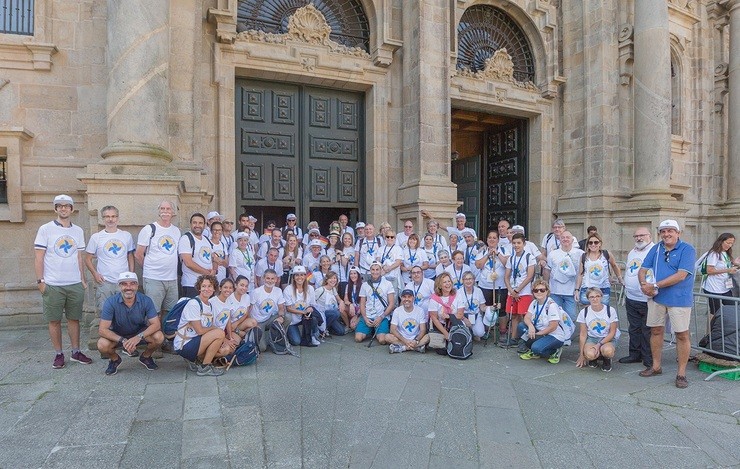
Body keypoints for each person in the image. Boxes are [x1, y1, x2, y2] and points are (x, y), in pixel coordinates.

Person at [34, 194, 92, 369]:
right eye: (59, 206)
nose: (63, 208)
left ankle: (76, 351)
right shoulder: (46, 229)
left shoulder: (78, 231)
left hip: (74, 283)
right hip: (53, 284)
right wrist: (40, 281)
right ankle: (59, 354)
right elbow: (39, 257)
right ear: (55, 209)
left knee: (74, 319)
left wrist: (82, 279)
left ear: (72, 209)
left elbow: (79, 257)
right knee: (54, 320)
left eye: (67, 206)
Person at [638, 219, 696, 389]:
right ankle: (656, 366)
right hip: (657, 298)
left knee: (681, 334)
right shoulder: (656, 248)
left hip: (679, 299)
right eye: (663, 231)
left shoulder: (687, 249)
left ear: (678, 233)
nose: (666, 234)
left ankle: (681, 373)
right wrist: (643, 285)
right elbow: (642, 269)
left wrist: (654, 285)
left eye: (670, 230)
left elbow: (681, 275)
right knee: (655, 331)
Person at [98, 272, 165, 375]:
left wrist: (138, 337)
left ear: (137, 286)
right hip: (118, 334)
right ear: (119, 286)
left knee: (159, 337)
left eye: (132, 283)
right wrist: (123, 340)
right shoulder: (110, 302)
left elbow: (156, 324)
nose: (128, 287)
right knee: (102, 344)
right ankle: (115, 359)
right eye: (124, 284)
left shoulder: (146, 300)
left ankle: (146, 357)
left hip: (139, 332)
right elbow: (102, 330)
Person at [135, 200, 181, 323]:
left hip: (172, 279)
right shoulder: (149, 229)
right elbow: (138, 254)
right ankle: (154, 339)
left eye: (168, 209)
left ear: (172, 212)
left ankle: (166, 337)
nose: (165, 211)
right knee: (153, 312)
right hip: (153, 278)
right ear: (159, 211)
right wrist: (150, 269)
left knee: (170, 311)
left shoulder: (176, 231)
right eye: (162, 209)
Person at [84, 205, 135, 314]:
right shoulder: (96, 237)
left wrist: (130, 274)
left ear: (117, 218)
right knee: (105, 313)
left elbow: (130, 256)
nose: (110, 219)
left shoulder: (126, 236)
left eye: (113, 216)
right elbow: (87, 258)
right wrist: (95, 274)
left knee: (124, 313)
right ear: (102, 218)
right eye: (107, 216)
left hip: (123, 282)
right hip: (104, 283)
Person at [173, 275, 226, 377]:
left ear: (214, 288)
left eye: (210, 286)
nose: (207, 289)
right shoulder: (194, 303)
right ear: (199, 288)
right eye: (204, 286)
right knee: (219, 333)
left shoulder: (208, 304)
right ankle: (204, 367)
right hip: (184, 344)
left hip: (195, 340)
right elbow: (200, 331)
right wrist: (215, 328)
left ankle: (195, 360)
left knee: (225, 350)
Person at [620, 227, 655, 367]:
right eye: (636, 236)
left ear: (650, 236)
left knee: (648, 330)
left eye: (642, 235)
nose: (639, 238)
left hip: (647, 298)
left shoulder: (655, 251)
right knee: (634, 328)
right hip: (631, 296)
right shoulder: (632, 252)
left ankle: (648, 357)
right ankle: (634, 354)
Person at [517, 280, 568, 364]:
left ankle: (554, 351)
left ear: (547, 291)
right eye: (536, 290)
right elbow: (527, 317)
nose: (539, 292)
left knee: (536, 348)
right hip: (540, 332)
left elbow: (553, 326)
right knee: (521, 326)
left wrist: (537, 334)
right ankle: (535, 348)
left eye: (542, 290)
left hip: (554, 335)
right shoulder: (534, 303)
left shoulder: (551, 305)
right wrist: (530, 326)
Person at [503, 233, 537, 346]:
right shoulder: (511, 258)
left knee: (524, 316)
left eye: (519, 243)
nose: (516, 245)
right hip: (512, 292)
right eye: (514, 243)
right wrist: (511, 290)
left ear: (524, 244)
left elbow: (529, 276)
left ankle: (526, 339)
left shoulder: (529, 257)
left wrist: (517, 290)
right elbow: (506, 276)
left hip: (524, 292)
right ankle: (513, 338)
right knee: (514, 315)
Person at [575, 287, 619, 372]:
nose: (595, 299)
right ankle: (594, 358)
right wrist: (581, 355)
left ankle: (606, 359)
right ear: (588, 298)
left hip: (607, 338)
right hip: (592, 338)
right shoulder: (584, 312)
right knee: (589, 354)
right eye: (592, 297)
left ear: (601, 297)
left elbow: (612, 332)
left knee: (608, 351)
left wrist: (599, 344)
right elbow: (583, 334)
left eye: (597, 296)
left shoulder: (610, 310)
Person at [543, 230, 583, 323]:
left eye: (567, 237)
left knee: (571, 316)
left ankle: (568, 335)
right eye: (563, 237)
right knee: (555, 316)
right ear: (560, 240)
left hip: (571, 291)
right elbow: (547, 270)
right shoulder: (553, 254)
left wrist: (578, 289)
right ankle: (558, 335)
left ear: (572, 240)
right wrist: (545, 287)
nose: (565, 239)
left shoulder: (580, 253)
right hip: (555, 291)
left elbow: (582, 272)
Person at [474, 230, 509, 335]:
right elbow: (478, 265)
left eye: (494, 238)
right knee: (487, 308)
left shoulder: (504, 250)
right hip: (485, 285)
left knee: (501, 308)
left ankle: (502, 331)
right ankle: (486, 330)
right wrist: (487, 255)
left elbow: (508, 264)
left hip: (500, 286)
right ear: (487, 239)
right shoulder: (482, 252)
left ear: (498, 240)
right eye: (490, 237)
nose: (492, 240)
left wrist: (497, 254)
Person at [574, 232, 623, 306]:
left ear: (600, 244)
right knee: (587, 313)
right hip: (587, 288)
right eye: (590, 243)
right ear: (587, 244)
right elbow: (580, 274)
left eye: (596, 242)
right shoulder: (583, 256)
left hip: (603, 288)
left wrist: (620, 278)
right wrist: (577, 290)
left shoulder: (606, 254)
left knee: (603, 312)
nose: (593, 244)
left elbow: (614, 265)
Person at [699, 233, 739, 316]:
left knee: (733, 306)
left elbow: (729, 265)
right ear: (721, 241)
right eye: (728, 243)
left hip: (724, 287)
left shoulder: (726, 253)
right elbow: (709, 270)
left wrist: (736, 264)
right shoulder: (714, 253)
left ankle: (724, 327)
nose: (730, 245)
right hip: (713, 288)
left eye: (731, 243)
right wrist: (728, 270)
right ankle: (711, 329)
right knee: (714, 312)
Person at [355, 262, 395, 344]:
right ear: (370, 270)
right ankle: (371, 329)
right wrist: (365, 318)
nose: (375, 272)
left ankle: (376, 330)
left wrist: (381, 317)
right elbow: (362, 304)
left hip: (381, 316)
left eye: (377, 269)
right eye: (373, 270)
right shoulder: (365, 285)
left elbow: (391, 304)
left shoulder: (388, 284)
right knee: (358, 338)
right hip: (368, 316)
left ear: (381, 270)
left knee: (382, 340)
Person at [179, 213, 216, 298]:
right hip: (192, 285)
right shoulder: (186, 239)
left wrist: (214, 269)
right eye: (194, 223)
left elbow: (214, 258)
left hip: (207, 285)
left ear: (204, 225)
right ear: (190, 224)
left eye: (200, 223)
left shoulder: (206, 239)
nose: (197, 225)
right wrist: (208, 273)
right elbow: (188, 263)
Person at [250, 268, 287, 352]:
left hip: (269, 319)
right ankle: (265, 337)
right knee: (262, 348)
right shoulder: (256, 292)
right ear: (263, 279)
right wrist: (250, 324)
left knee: (287, 317)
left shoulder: (278, 291)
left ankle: (278, 338)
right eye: (268, 278)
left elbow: (281, 307)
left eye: (272, 278)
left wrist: (281, 316)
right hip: (257, 322)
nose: (270, 281)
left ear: (276, 280)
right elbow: (249, 309)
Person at [282, 266, 320, 346]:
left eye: (302, 275)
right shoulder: (288, 289)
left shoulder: (310, 289)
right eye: (297, 275)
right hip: (293, 321)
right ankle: (293, 331)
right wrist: (303, 312)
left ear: (305, 276)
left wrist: (309, 309)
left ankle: (312, 335)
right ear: (294, 277)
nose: (300, 277)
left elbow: (312, 305)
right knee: (296, 342)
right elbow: (288, 308)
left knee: (314, 318)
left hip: (305, 318)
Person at [387, 289, 430, 353]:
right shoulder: (397, 311)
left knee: (428, 337)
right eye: (404, 297)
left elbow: (423, 330)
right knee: (387, 337)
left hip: (415, 338)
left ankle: (403, 348)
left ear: (413, 298)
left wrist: (416, 340)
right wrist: (405, 341)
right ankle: (415, 348)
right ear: (401, 298)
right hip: (402, 338)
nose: (407, 299)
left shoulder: (420, 310)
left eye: (409, 297)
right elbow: (392, 329)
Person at [313, 271, 348, 337]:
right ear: (327, 279)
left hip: (331, 314)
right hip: (322, 313)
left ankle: (327, 327)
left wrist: (341, 302)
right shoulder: (321, 290)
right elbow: (312, 301)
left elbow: (339, 299)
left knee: (341, 332)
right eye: (331, 278)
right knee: (336, 313)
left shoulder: (333, 289)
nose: (333, 280)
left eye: (335, 278)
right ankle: (322, 329)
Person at [454, 271, 486, 339]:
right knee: (464, 334)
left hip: (476, 315)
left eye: (470, 279)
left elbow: (482, 307)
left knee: (480, 333)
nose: (468, 281)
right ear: (463, 281)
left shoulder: (478, 291)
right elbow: (456, 310)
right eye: (466, 279)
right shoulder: (458, 292)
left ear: (474, 280)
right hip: (463, 316)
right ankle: (470, 332)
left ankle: (473, 332)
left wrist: (491, 308)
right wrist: (464, 319)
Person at [428, 272, 457, 345]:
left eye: (449, 281)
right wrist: (446, 333)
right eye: (444, 282)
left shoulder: (457, 295)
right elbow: (434, 318)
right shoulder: (434, 299)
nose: (448, 284)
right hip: (440, 325)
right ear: (439, 286)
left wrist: (450, 317)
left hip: (454, 323)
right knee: (442, 350)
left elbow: (460, 313)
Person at [210, 278, 239, 350]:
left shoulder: (229, 301)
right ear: (220, 288)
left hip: (223, 332)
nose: (228, 290)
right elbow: (210, 324)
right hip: (212, 333)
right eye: (225, 287)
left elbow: (228, 320)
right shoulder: (212, 302)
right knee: (227, 349)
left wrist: (230, 337)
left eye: (230, 288)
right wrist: (225, 340)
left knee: (237, 342)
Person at [227, 276, 257, 340]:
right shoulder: (229, 298)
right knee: (238, 341)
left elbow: (246, 313)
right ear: (235, 285)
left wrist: (237, 323)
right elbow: (227, 319)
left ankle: (238, 332)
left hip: (239, 324)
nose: (244, 288)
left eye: (246, 286)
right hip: (229, 326)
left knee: (253, 324)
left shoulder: (247, 297)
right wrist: (233, 326)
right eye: (242, 285)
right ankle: (238, 334)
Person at [342, 266, 363, 331]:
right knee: (342, 308)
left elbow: (364, 303)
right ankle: (347, 326)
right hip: (352, 308)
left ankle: (355, 322)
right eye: (351, 274)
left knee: (353, 326)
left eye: (355, 273)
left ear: (358, 275)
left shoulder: (363, 285)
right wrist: (350, 304)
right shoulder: (348, 285)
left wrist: (356, 315)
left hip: (361, 310)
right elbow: (345, 300)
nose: (353, 275)